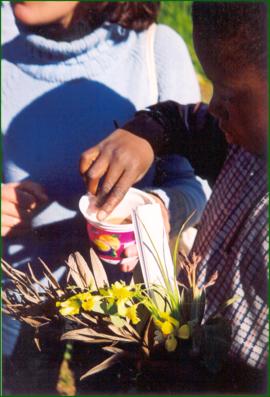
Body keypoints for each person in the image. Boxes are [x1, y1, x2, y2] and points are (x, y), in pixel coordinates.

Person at [1, 1, 206, 393]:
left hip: (117, 313)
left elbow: (194, 187)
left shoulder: (155, 50)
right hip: (16, 301)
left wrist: (157, 208)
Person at [79, 1, 268, 389]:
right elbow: (184, 123)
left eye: (229, 93)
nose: (214, 105)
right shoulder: (243, 147)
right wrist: (145, 134)